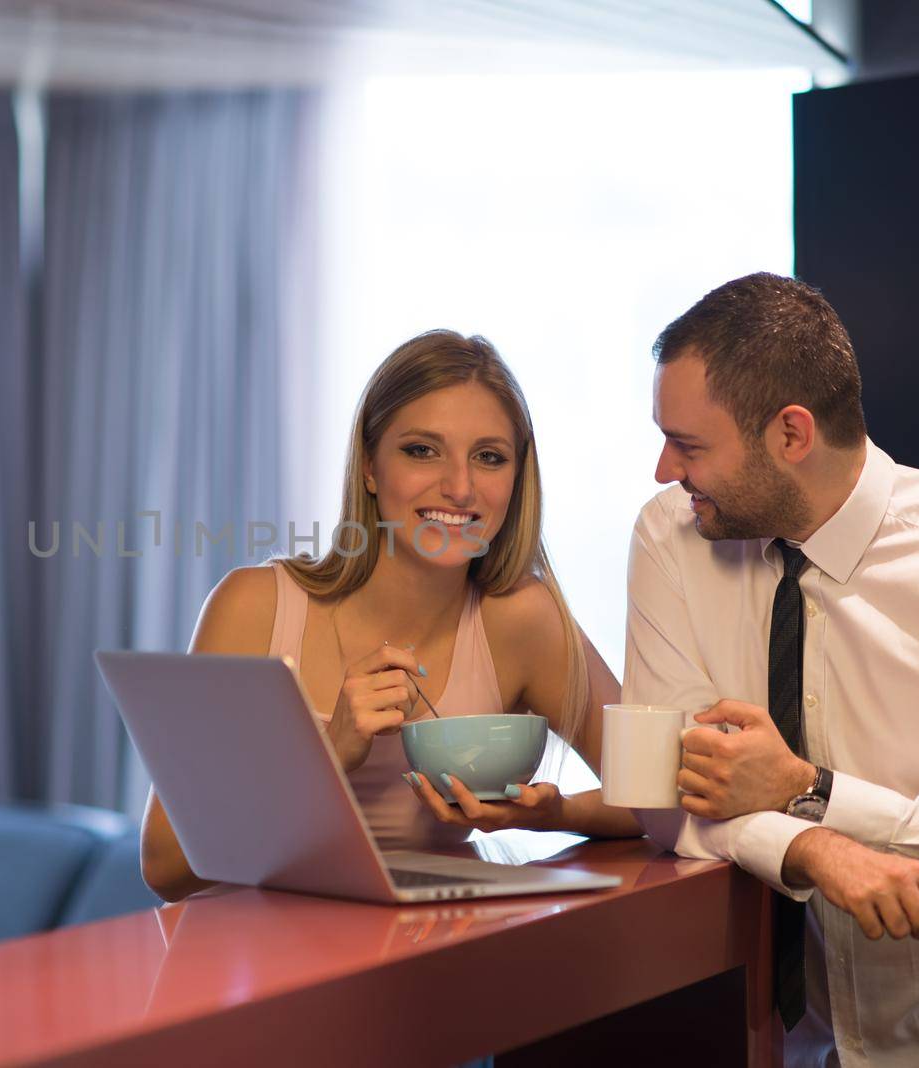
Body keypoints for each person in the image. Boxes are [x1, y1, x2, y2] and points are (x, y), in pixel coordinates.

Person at [629, 272, 919, 1066]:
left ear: (792, 435)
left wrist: (812, 791)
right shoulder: (672, 536)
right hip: (787, 1045)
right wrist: (817, 847)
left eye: (688, 445)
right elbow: (661, 796)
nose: (662, 471)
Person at [140, 329, 640, 903]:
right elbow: (166, 865)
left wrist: (552, 813)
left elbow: (655, 796)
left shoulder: (524, 618)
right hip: (265, 960)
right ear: (370, 468)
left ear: (517, 477)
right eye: (422, 450)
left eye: (489, 457)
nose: (459, 487)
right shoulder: (254, 607)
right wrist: (326, 755)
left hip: (429, 963)